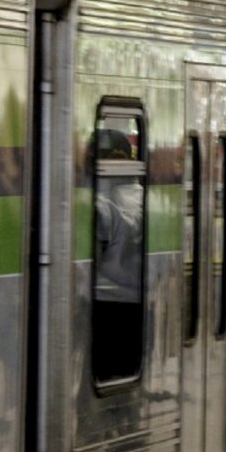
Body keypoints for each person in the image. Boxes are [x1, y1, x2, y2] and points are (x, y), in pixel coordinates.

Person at [92, 128, 144, 379]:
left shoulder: (100, 204)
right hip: (139, 306)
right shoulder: (148, 198)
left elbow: (90, 262)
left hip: (105, 308)